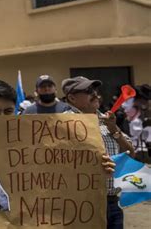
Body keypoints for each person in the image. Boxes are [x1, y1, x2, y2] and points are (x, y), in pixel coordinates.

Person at [62, 76, 134, 229]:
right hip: (81, 204)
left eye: (95, 89)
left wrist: (114, 130)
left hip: (112, 202)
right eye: (88, 91)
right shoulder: (63, 123)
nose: (95, 93)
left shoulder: (106, 120)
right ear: (72, 98)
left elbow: (130, 153)